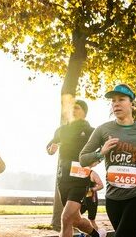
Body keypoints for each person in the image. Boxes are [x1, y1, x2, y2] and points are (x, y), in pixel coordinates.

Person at [80, 84, 136, 236]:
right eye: (113, 101)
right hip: (113, 199)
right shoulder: (102, 129)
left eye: (121, 99)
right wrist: (101, 152)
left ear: (132, 104)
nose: (116, 104)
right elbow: (83, 159)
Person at [46, 99, 102, 237]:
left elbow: (103, 150)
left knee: (66, 218)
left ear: (84, 112)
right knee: (75, 220)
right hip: (63, 178)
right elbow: (49, 146)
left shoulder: (91, 131)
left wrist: (97, 159)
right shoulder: (62, 130)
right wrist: (51, 149)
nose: (72, 110)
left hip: (81, 177)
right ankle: (96, 235)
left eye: (76, 108)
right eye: (71, 108)